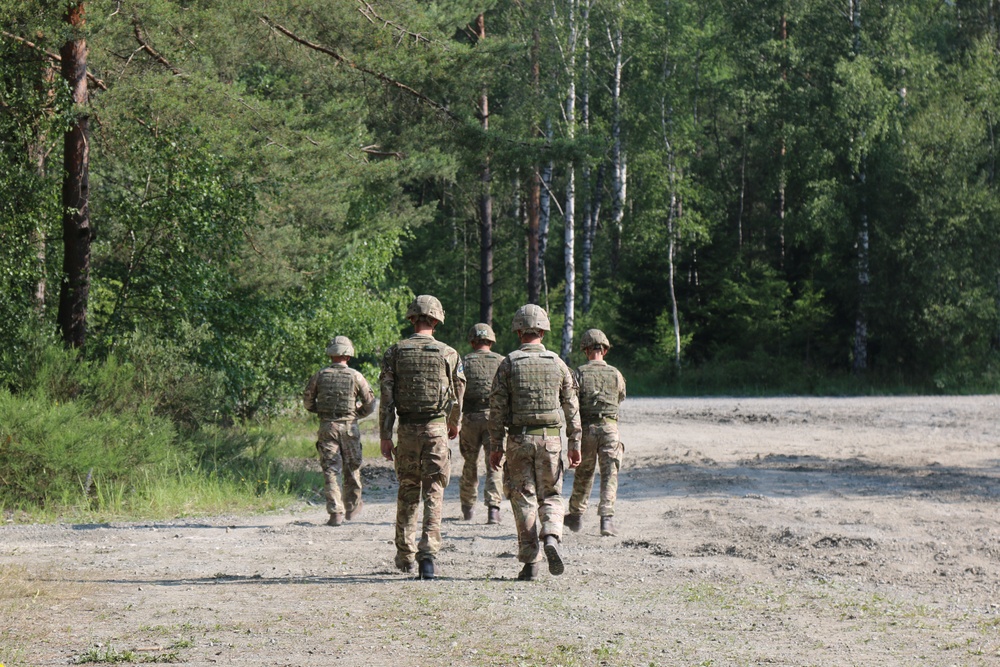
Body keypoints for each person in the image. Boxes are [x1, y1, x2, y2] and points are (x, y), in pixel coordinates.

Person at [488, 304, 581, 581]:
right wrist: (575, 442)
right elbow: (572, 407)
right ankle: (552, 534)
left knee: (523, 497)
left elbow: (496, 410)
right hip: (551, 439)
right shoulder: (558, 363)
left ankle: (530, 563)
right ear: (543, 330)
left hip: (518, 439)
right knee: (551, 494)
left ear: (518, 331)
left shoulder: (509, 363)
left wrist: (495, 445)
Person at [379, 295, 466, 580]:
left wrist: (385, 436)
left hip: (406, 430)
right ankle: (427, 556)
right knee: (434, 490)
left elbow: (387, 399)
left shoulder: (395, 352)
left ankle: (405, 554)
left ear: (412, 318)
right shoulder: (448, 353)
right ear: (437, 320)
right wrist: (454, 423)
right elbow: (458, 393)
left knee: (407, 489)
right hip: (436, 429)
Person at [303, 336, 376, 527]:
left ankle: (335, 512)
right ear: (348, 355)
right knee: (352, 468)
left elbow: (308, 401)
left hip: (327, 427)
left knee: (331, 469)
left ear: (331, 354)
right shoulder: (356, 376)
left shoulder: (320, 375)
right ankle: (351, 508)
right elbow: (370, 403)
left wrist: (322, 412)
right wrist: (356, 414)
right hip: (350, 427)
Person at [565, 329, 627, 536]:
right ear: (605, 350)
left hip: (587, 429)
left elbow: (572, 403)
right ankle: (607, 520)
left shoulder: (579, 373)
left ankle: (576, 516)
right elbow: (621, 397)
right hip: (610, 429)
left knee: (584, 473)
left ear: (585, 350)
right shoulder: (616, 374)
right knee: (610, 474)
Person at [459, 323, 505, 524]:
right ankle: (493, 510)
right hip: (494, 419)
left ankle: (468, 509)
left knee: (470, 463)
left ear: (472, 341)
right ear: (491, 341)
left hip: (470, 417)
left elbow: (456, 392)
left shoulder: (464, 362)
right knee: (494, 463)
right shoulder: (502, 362)